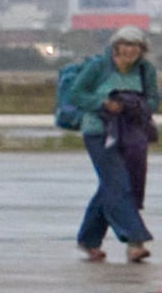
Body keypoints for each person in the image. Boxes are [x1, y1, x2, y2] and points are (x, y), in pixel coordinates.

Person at [61, 28, 156, 266]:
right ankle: (135, 242)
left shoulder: (146, 70)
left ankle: (88, 240)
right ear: (116, 47)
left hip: (131, 134)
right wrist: (103, 103)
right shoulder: (99, 67)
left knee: (113, 186)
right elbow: (76, 94)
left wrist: (136, 105)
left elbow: (153, 98)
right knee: (119, 184)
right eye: (125, 45)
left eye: (135, 47)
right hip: (98, 132)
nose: (130, 51)